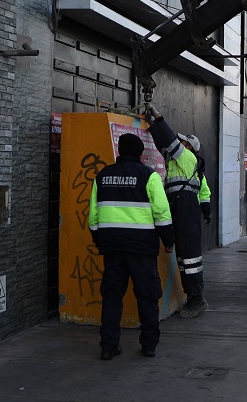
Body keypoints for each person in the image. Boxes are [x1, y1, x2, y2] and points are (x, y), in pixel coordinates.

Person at [89, 133, 174, 361]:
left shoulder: (102, 176)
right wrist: (168, 240)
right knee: (147, 296)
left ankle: (108, 347)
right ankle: (149, 345)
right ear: (140, 153)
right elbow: (162, 213)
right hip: (142, 249)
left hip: (112, 248)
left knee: (112, 297)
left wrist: (100, 240)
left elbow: (93, 216)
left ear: (119, 150)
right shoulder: (149, 176)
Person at [145, 106, 209, 319]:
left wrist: (159, 118)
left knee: (190, 257)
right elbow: (163, 145)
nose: (178, 143)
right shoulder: (174, 161)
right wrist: (152, 126)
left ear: (189, 146)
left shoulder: (188, 158)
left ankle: (197, 299)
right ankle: (192, 297)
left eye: (182, 142)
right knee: (183, 256)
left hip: (186, 206)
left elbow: (170, 143)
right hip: (179, 206)